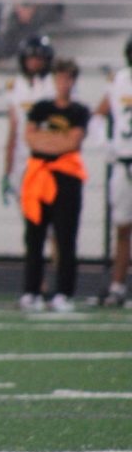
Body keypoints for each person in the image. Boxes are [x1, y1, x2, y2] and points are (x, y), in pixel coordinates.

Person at [20, 57, 88, 312]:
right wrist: (56, 142)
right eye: (60, 77)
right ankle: (31, 290)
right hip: (38, 177)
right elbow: (30, 138)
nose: (63, 83)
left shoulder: (78, 110)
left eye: (68, 78)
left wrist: (48, 141)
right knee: (34, 236)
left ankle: (64, 293)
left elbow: (73, 143)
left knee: (65, 236)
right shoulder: (41, 107)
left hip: (66, 179)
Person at [90, 33, 132, 307]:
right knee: (122, 227)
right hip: (122, 161)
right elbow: (98, 115)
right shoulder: (118, 81)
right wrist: (105, 146)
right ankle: (117, 285)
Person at [3, 34, 56, 208]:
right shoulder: (15, 86)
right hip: (22, 158)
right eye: (30, 58)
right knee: (29, 219)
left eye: (38, 58)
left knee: (53, 222)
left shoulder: (55, 84)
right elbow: (13, 130)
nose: (34, 62)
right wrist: (7, 170)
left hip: (50, 157)